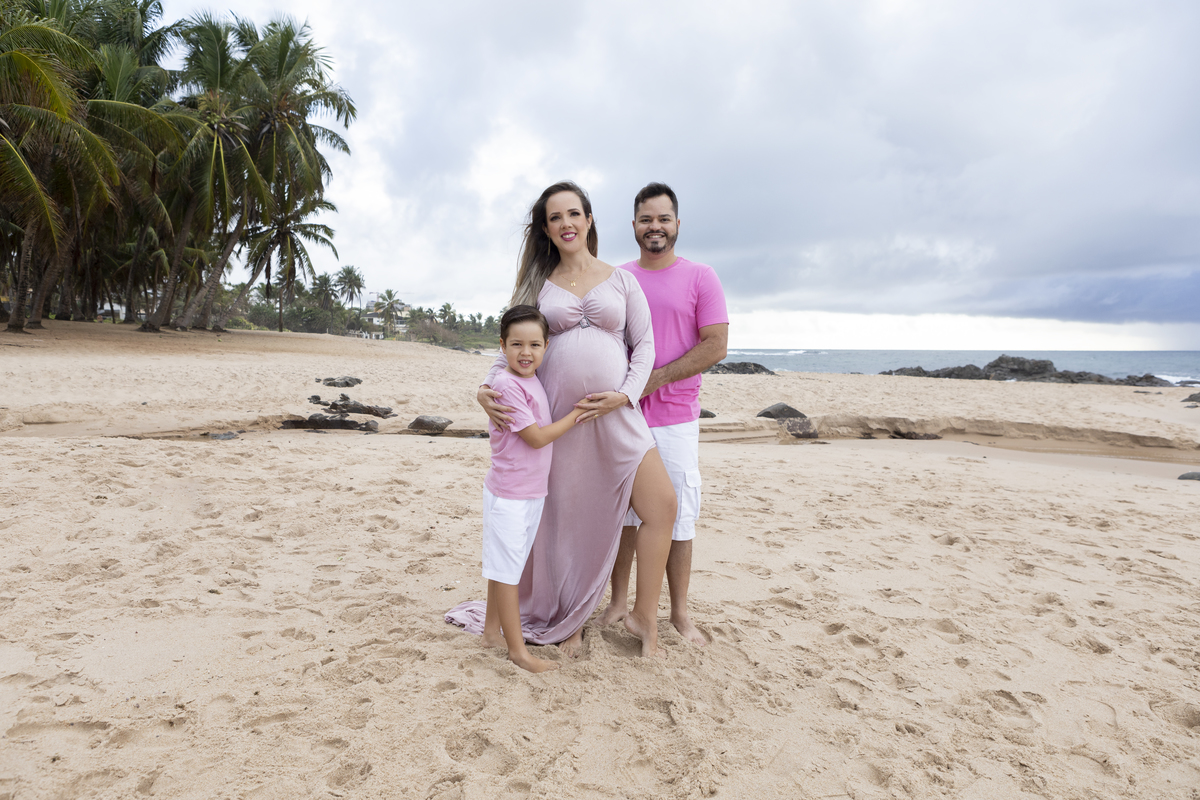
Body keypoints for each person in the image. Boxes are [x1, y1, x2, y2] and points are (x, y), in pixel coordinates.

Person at [447, 181, 678, 658]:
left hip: (616, 415)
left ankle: (644, 617)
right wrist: (484, 389)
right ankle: (567, 619)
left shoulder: (622, 280)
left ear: (590, 220)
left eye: (574, 213)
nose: (566, 223)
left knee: (662, 506)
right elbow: (512, 345)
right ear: (547, 229)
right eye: (555, 217)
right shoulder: (538, 283)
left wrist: (624, 395)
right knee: (566, 523)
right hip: (560, 421)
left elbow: (646, 346)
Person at [596, 183, 729, 646]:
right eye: (646, 219)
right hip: (623, 413)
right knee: (625, 516)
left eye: (663, 218)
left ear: (677, 224)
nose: (655, 227)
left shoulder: (701, 277)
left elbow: (716, 345)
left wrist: (656, 378)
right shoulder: (616, 277)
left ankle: (680, 614)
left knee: (678, 516)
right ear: (633, 225)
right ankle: (618, 602)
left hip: (674, 417)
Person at [478, 305, 586, 673]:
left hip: (528, 492)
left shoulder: (529, 378)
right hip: (510, 494)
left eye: (535, 345)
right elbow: (537, 438)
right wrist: (575, 416)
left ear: (546, 346)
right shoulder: (508, 384)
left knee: (504, 566)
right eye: (517, 344)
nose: (526, 353)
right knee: (508, 571)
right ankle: (517, 652)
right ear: (502, 346)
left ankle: (492, 631)